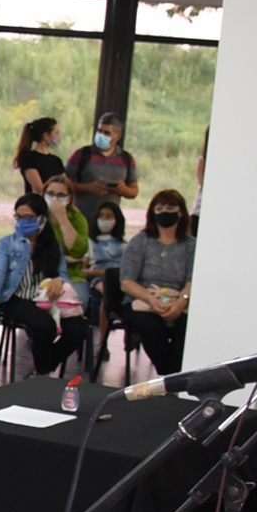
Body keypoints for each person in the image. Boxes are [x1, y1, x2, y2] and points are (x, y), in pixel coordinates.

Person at [0, 191, 88, 381]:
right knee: (44, 325)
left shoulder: (52, 245)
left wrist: (59, 280)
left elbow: (62, 273)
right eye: (19, 217)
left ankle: (43, 367)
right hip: (16, 298)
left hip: (47, 299)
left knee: (79, 329)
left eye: (29, 217)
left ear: (41, 219)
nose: (23, 221)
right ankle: (43, 375)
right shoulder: (7, 244)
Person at [119, 189, 195, 377]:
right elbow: (127, 281)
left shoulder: (191, 245)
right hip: (142, 300)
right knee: (152, 325)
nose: (164, 212)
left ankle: (177, 375)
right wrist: (151, 301)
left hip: (179, 300)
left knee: (187, 324)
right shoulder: (140, 242)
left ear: (181, 213)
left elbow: (192, 281)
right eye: (159, 208)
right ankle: (167, 374)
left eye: (170, 207)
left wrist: (181, 303)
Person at [64, 111, 138, 228]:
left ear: (118, 136)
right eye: (99, 131)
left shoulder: (127, 159)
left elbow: (134, 191)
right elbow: (63, 184)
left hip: (110, 222)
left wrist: (123, 190)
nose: (101, 135)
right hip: (81, 219)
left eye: (107, 133)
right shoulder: (81, 154)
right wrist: (88, 188)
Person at [15, 116, 67, 198]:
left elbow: (65, 185)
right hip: (37, 205)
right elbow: (39, 189)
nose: (59, 136)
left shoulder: (56, 161)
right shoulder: (29, 158)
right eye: (56, 133)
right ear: (46, 136)